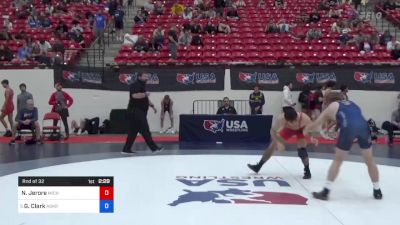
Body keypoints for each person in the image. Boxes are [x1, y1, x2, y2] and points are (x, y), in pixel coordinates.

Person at [303, 91, 382, 200]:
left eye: (325, 101)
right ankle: (377, 191)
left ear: (329, 100)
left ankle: (325, 192)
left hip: (349, 128)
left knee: (338, 160)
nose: (324, 103)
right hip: (364, 127)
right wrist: (332, 128)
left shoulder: (332, 106)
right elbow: (346, 118)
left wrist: (306, 129)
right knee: (370, 161)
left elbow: (316, 124)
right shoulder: (351, 103)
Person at [247, 106, 314, 179]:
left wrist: (312, 137)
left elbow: (311, 128)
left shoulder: (304, 118)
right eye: (290, 122)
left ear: (296, 118)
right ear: (286, 120)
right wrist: (278, 142)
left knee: (302, 150)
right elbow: (272, 131)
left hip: (301, 130)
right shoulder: (282, 119)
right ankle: (258, 166)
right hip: (289, 130)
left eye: (294, 121)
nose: (293, 123)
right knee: (272, 145)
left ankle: (307, 171)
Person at [122, 73, 163, 154]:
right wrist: (145, 94)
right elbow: (134, 96)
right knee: (145, 130)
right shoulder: (135, 85)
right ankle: (154, 148)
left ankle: (126, 149)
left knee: (133, 132)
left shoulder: (142, 85)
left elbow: (145, 99)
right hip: (136, 112)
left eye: (147, 76)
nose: (147, 77)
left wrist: (152, 106)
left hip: (139, 112)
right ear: (139, 77)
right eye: (145, 76)